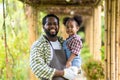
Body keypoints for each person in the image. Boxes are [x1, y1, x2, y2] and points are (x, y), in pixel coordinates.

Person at [30, 14, 78, 80]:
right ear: (43, 26)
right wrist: (62, 73)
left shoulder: (64, 43)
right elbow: (37, 67)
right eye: (49, 24)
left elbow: (74, 58)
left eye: (55, 24)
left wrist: (75, 69)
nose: (52, 26)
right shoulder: (38, 45)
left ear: (58, 26)